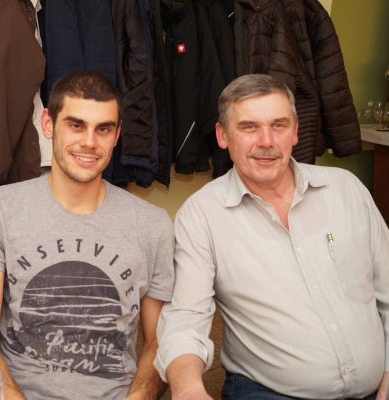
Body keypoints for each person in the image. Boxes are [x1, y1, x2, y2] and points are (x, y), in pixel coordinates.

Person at [155, 73, 389, 400]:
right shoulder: (201, 215)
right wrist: (187, 388)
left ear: (295, 131)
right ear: (222, 135)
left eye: (279, 125)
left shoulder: (346, 189)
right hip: (269, 392)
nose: (266, 141)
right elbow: (185, 319)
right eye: (249, 127)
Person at [0, 71, 174, 399]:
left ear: (117, 135)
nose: (89, 142)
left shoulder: (152, 224)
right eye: (76, 125)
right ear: (48, 124)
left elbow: (160, 340)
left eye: (103, 129)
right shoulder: (0, 208)